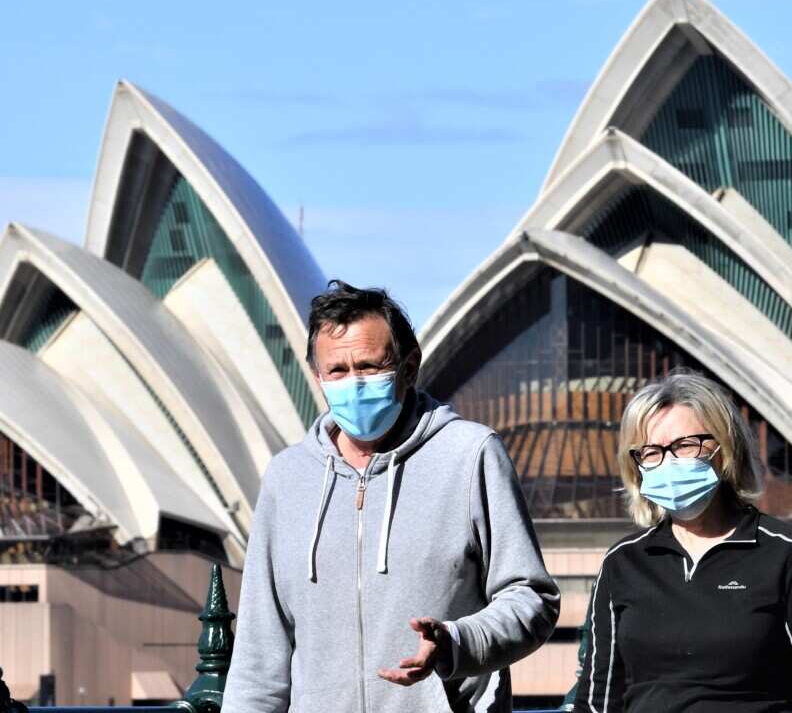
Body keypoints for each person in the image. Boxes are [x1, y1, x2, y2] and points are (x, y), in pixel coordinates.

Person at [224, 280, 559, 713]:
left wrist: (456, 644)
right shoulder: (286, 479)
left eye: (368, 366)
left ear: (409, 367)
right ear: (317, 377)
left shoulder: (469, 454)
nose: (353, 383)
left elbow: (532, 597)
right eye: (338, 371)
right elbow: (258, 653)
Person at [573, 370, 792, 713]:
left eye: (685, 445)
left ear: (724, 449)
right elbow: (596, 700)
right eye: (651, 451)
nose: (668, 461)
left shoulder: (786, 552)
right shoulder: (624, 563)